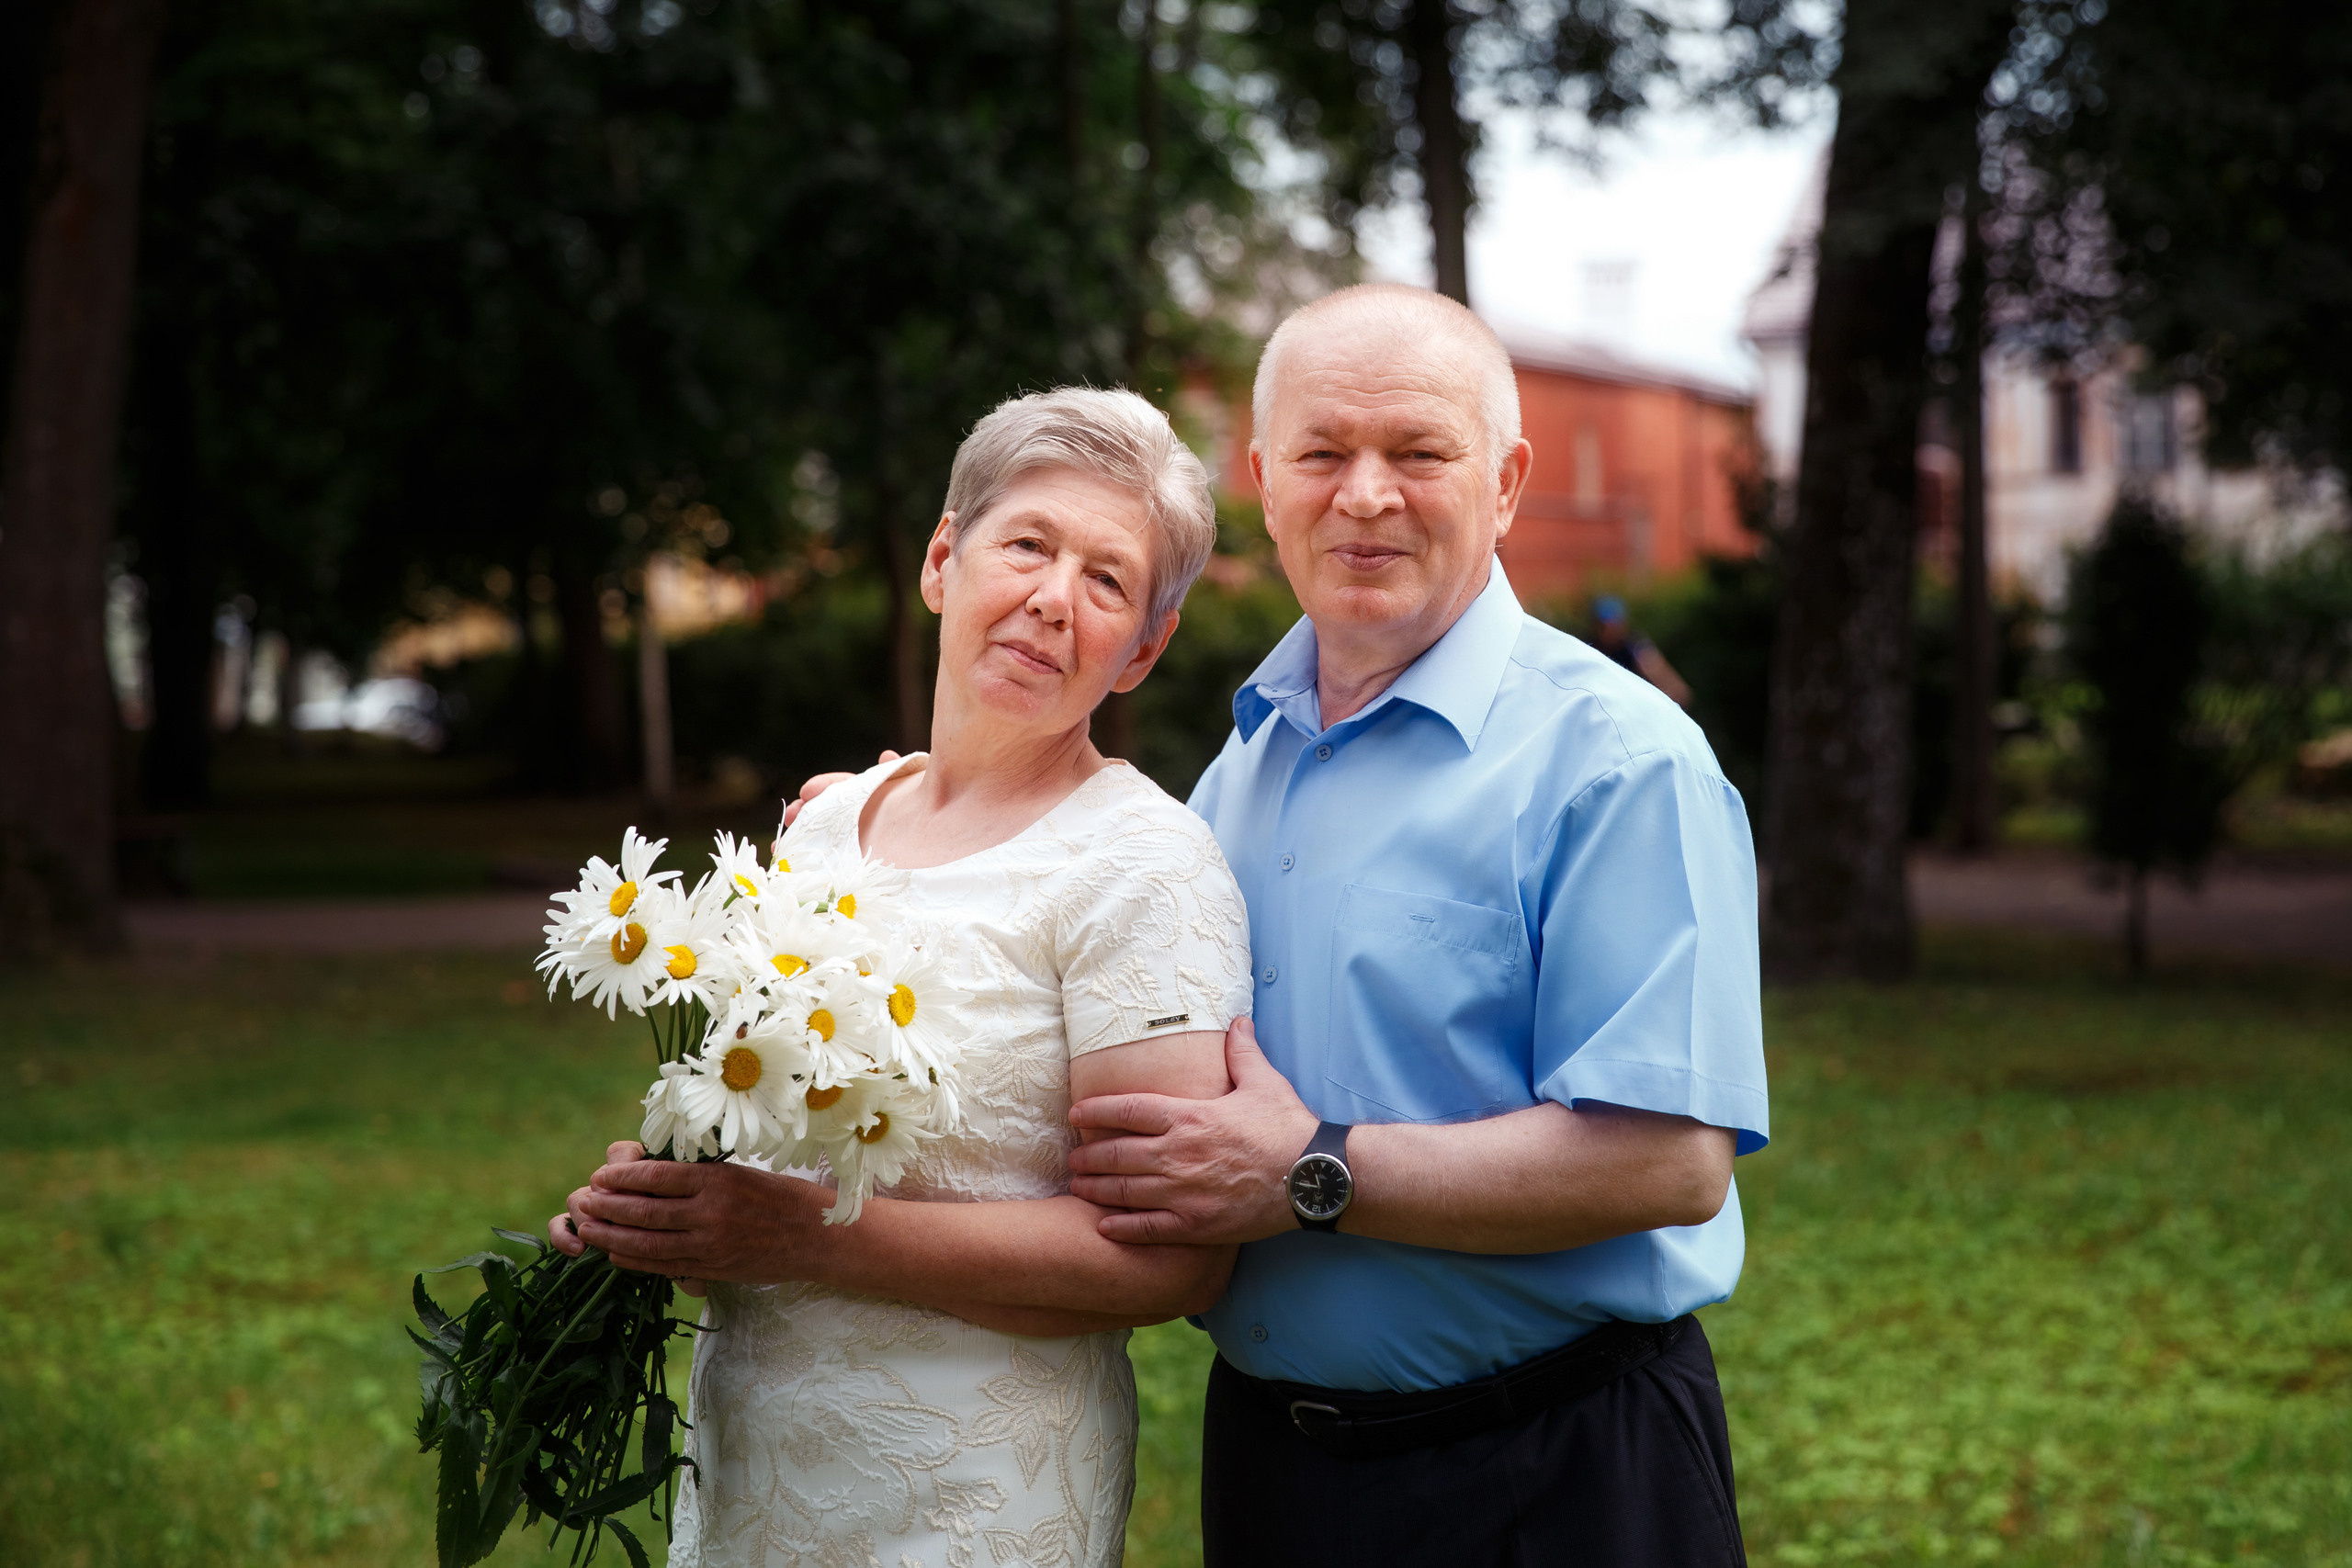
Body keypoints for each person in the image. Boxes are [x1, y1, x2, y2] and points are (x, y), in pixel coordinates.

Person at [784, 287, 1768, 1565]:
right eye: (1322, 452)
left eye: (1418, 451)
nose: (1365, 494)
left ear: (1509, 480)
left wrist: (1311, 1167)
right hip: (1281, 1472)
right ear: (1264, 478)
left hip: (1556, 1466)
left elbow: (1670, 1161)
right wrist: (919, 825)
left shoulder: (1622, 761)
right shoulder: (1235, 776)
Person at [548, 388, 1257, 1568]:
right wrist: (674, 1197)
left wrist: (800, 1237)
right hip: (749, 1478)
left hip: (972, 1502)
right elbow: (768, 1144)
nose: (1050, 598)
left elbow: (1173, 1257)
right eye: (1027, 543)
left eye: (1107, 580)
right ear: (943, 559)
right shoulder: (822, 831)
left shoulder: (1147, 869)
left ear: (1143, 648)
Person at [1591, 592, 1695, 705]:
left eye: (1615, 623)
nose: (1610, 630)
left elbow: (1679, 692)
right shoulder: (1591, 649)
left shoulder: (1636, 647)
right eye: (1604, 625)